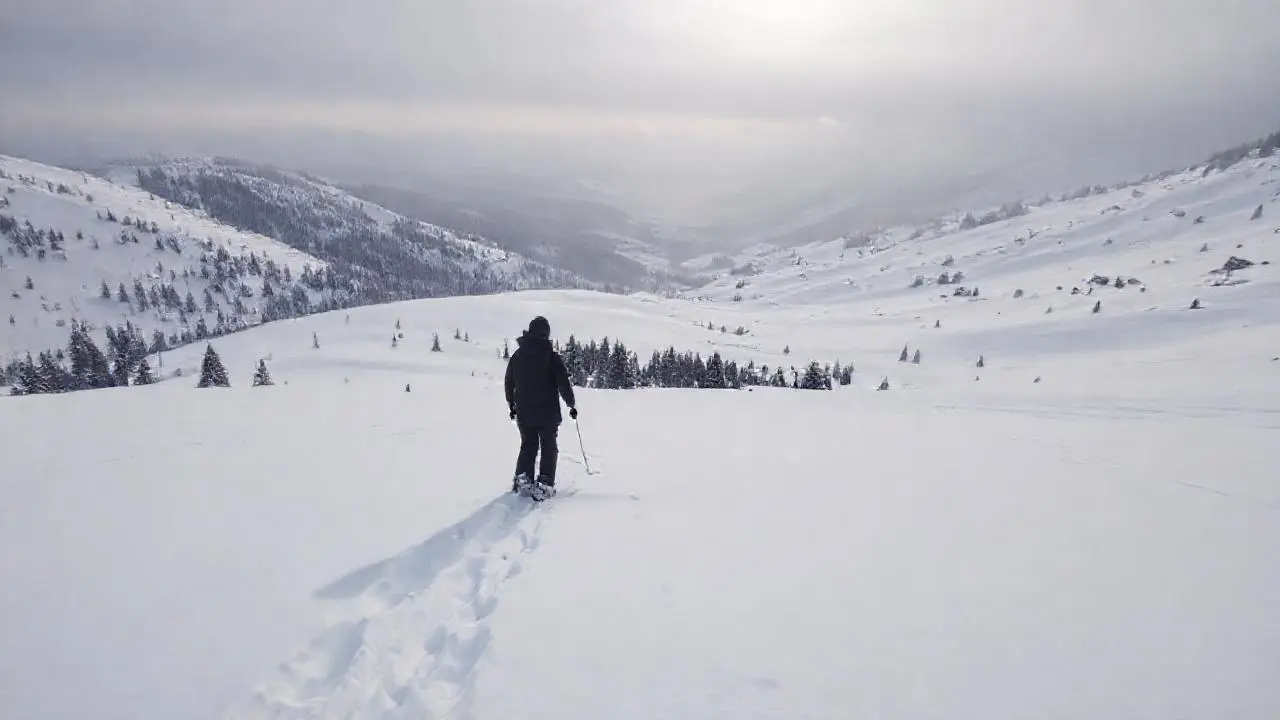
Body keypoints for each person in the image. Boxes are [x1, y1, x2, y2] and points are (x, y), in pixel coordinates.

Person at [504, 316, 577, 499]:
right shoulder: (551, 357)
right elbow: (563, 383)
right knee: (548, 447)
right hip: (547, 413)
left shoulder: (517, 356)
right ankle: (544, 483)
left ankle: (523, 478)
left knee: (528, 445)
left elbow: (509, 382)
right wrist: (571, 404)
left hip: (524, 412)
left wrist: (511, 404)